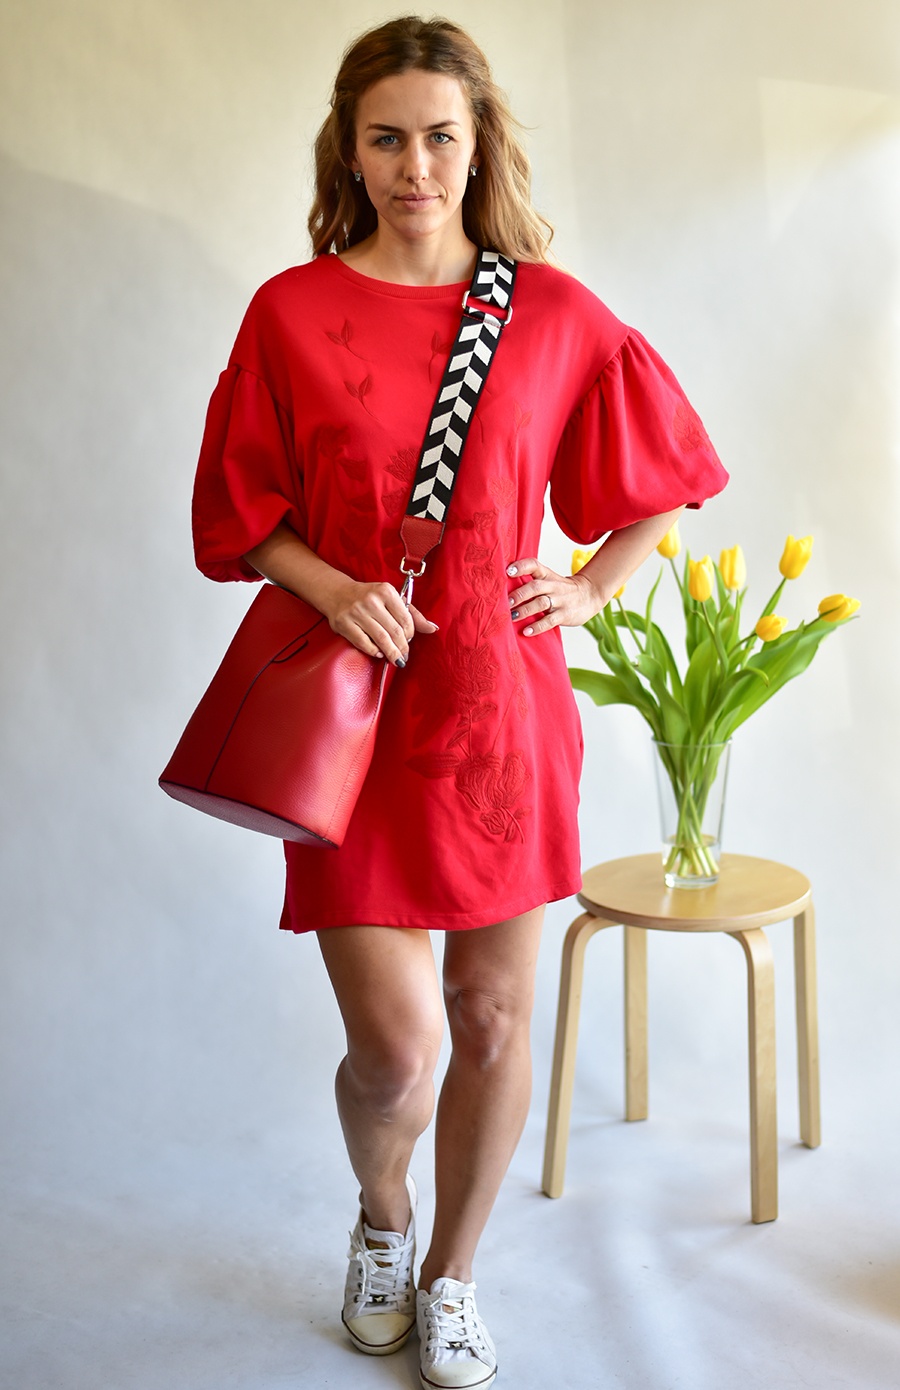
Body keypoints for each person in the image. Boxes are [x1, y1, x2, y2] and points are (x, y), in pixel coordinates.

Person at [190, 15, 727, 1389]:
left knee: (489, 1018)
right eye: (388, 139)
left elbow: (661, 479)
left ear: (479, 144)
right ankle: (382, 1216)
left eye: (440, 136)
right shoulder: (290, 312)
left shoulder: (551, 312)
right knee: (397, 1048)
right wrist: (332, 588)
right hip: (355, 723)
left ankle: (454, 1273)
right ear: (350, 151)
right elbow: (241, 512)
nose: (416, 166)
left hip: (500, 713)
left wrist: (592, 586)